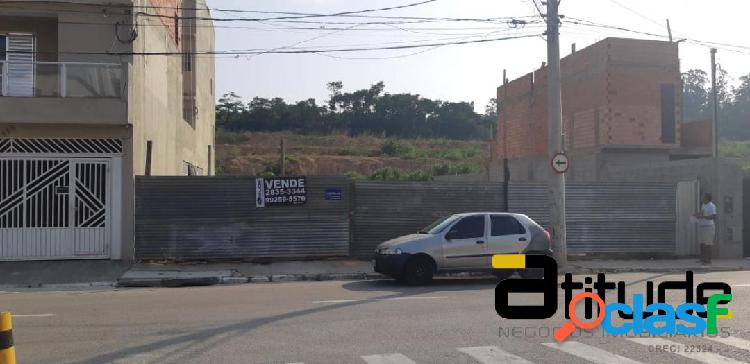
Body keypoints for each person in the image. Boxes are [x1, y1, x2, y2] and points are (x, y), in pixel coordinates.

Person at [695, 193, 717, 264]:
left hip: (708, 227)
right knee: (702, 243)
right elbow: (702, 213)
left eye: (703, 197)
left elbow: (713, 216)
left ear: (707, 198)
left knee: (708, 244)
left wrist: (703, 217)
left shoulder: (712, 206)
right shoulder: (703, 205)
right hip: (702, 226)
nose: (702, 198)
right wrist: (697, 215)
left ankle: (708, 260)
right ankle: (702, 259)